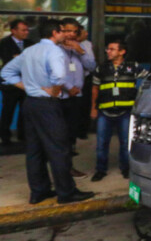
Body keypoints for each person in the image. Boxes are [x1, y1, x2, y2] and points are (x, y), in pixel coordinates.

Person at [1, 19, 94, 204]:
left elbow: (6, 72)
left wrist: (27, 87)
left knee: (34, 151)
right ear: (55, 33)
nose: (65, 34)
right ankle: (66, 193)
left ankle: (39, 192)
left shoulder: (30, 50)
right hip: (47, 106)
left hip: (30, 104)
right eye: (62, 31)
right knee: (59, 149)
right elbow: (59, 75)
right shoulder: (54, 51)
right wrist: (55, 89)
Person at [90, 40, 138, 182]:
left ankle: (125, 168)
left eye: (112, 49)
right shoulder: (101, 68)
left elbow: (149, 81)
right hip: (105, 112)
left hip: (125, 111)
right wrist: (93, 108)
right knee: (101, 142)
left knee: (125, 142)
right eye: (107, 49)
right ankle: (100, 170)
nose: (108, 51)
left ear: (122, 52)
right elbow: (95, 89)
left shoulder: (133, 67)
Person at [59, 18, 96, 178]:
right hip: (60, 96)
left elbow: (92, 66)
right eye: (67, 31)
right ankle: (61, 167)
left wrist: (80, 51)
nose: (71, 34)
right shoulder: (55, 47)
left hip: (78, 95)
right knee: (60, 135)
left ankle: (68, 166)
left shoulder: (85, 45)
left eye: (74, 31)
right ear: (61, 30)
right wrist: (68, 87)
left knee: (72, 133)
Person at [0, 19, 34, 145]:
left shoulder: (30, 44)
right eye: (23, 30)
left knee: (25, 111)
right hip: (10, 84)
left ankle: (23, 135)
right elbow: (9, 62)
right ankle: (5, 137)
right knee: (8, 110)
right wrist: (22, 59)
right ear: (13, 31)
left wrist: (18, 58)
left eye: (27, 30)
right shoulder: (4, 43)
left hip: (26, 83)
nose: (26, 32)